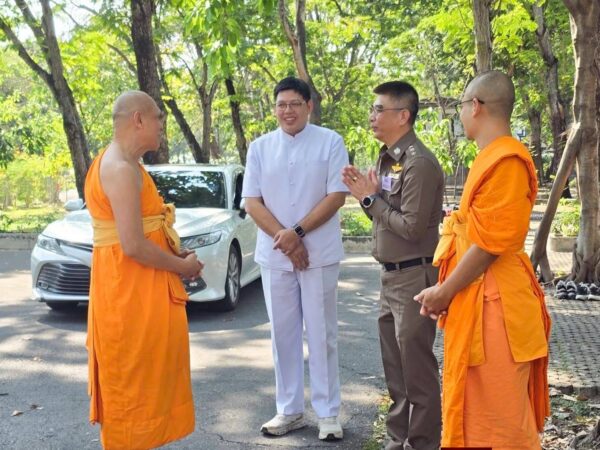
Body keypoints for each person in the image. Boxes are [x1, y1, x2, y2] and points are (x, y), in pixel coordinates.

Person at [414, 70, 551, 449]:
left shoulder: (507, 161)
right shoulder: (489, 158)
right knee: (476, 418)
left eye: (460, 106)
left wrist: (444, 291)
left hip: (498, 308)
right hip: (479, 301)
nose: (460, 115)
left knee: (503, 423)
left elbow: (491, 244)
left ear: (475, 106)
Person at [85, 90, 203, 449]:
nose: (161, 127)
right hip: (129, 294)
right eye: (158, 119)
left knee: (149, 380)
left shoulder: (128, 163)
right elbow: (133, 245)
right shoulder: (120, 168)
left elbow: (146, 228)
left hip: (140, 288)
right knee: (133, 383)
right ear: (138, 119)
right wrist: (182, 266)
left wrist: (174, 248)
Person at [242, 76, 348, 441]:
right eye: (281, 105)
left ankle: (328, 414)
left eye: (294, 104)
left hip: (319, 253)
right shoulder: (260, 147)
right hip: (275, 256)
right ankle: (289, 410)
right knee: (283, 335)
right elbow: (252, 201)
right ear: (274, 108)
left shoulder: (330, 142)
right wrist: (286, 239)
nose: (287, 111)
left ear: (309, 106)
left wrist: (297, 232)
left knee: (321, 333)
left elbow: (336, 195)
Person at [342, 81, 443, 450]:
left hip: (414, 276)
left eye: (378, 109)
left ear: (403, 116)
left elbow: (412, 228)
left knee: (417, 374)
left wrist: (370, 200)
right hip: (391, 277)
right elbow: (385, 218)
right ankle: (397, 439)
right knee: (396, 372)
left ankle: (422, 443)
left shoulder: (419, 163)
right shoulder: (389, 158)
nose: (372, 116)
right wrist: (369, 200)